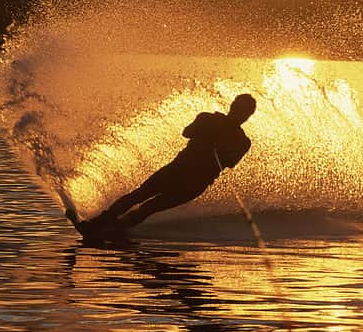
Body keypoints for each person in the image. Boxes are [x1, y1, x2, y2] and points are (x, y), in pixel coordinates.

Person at [67, 93, 256, 238]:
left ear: (248, 117)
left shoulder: (242, 141)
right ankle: (99, 223)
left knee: (150, 207)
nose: (240, 114)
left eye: (244, 113)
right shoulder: (207, 118)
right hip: (176, 169)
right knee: (139, 194)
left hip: (195, 184)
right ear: (232, 105)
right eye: (239, 109)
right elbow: (186, 132)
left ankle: (114, 229)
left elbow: (230, 162)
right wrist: (208, 130)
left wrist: (221, 142)